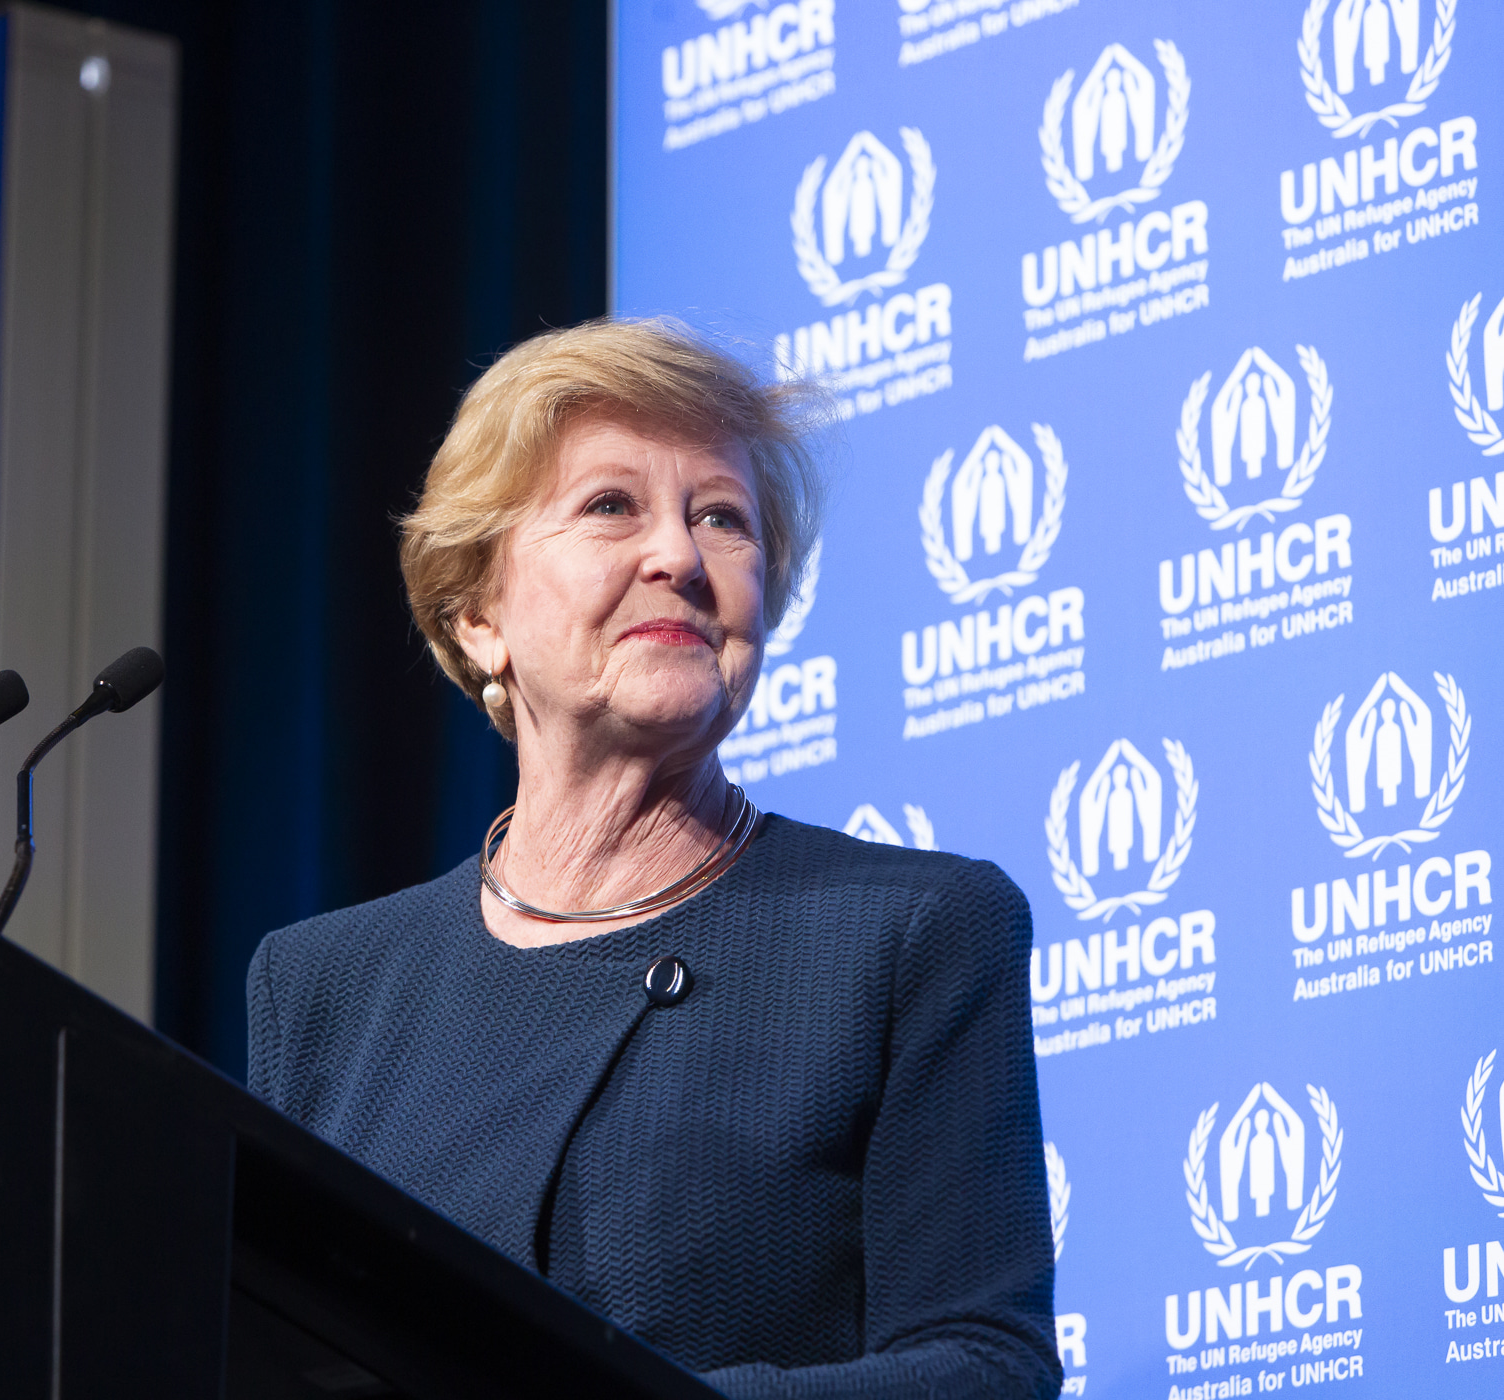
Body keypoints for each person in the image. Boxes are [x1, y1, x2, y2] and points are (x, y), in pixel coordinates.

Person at [246, 318, 1059, 1396]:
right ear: (479, 613)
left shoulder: (912, 932)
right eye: (610, 506)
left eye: (722, 517)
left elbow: (984, 1369)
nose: (676, 555)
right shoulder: (322, 990)